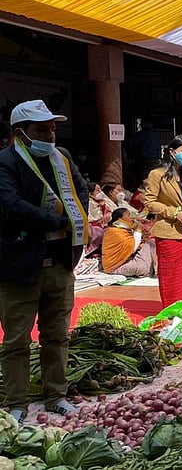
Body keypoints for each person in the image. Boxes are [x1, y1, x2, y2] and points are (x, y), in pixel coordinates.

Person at [0, 99, 88, 420]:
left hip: (61, 264)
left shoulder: (61, 159)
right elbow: (10, 203)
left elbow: (81, 191)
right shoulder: (6, 162)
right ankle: (17, 404)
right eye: (42, 129)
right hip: (20, 267)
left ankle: (56, 396)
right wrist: (55, 222)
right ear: (21, 133)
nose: (50, 135)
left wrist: (78, 224)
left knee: (57, 336)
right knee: (16, 340)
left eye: (52, 128)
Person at [144, 135, 182, 305]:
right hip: (169, 232)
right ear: (172, 152)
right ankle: (173, 309)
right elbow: (149, 201)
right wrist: (174, 212)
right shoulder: (157, 174)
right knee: (172, 276)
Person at [101, 208, 155, 277]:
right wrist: (138, 230)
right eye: (129, 216)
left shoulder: (123, 230)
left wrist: (141, 231)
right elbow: (133, 249)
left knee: (150, 243)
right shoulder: (114, 232)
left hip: (126, 261)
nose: (132, 219)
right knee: (144, 268)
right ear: (121, 218)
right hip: (115, 267)